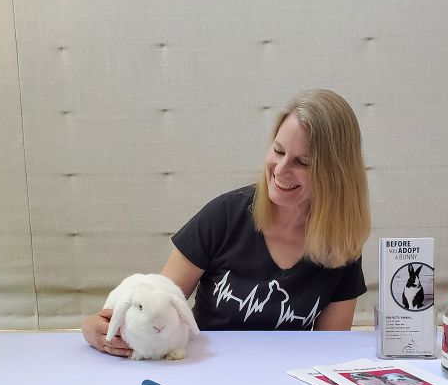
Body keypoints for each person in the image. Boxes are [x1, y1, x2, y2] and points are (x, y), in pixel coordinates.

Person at [82, 89, 371, 357]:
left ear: (337, 171)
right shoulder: (225, 215)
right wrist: (91, 329)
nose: (280, 170)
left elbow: (330, 349)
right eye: (279, 151)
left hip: (288, 384)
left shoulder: (342, 244)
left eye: (303, 162)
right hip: (205, 378)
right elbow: (156, 310)